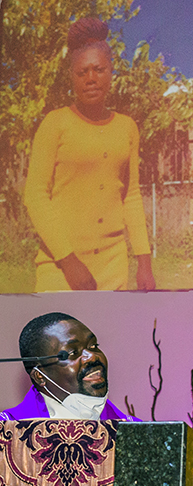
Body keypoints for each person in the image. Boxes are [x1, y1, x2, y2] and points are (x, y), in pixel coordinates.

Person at [24, 17, 155, 291]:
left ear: (111, 72)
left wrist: (143, 262)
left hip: (113, 269)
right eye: (82, 72)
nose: (91, 79)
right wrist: (69, 261)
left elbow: (130, 195)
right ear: (72, 77)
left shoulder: (127, 127)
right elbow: (35, 196)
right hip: (61, 268)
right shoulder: (54, 123)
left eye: (99, 69)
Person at [0, 312, 138, 421]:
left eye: (94, 346)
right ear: (40, 376)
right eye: (72, 352)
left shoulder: (134, 433)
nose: (92, 356)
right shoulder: (8, 434)